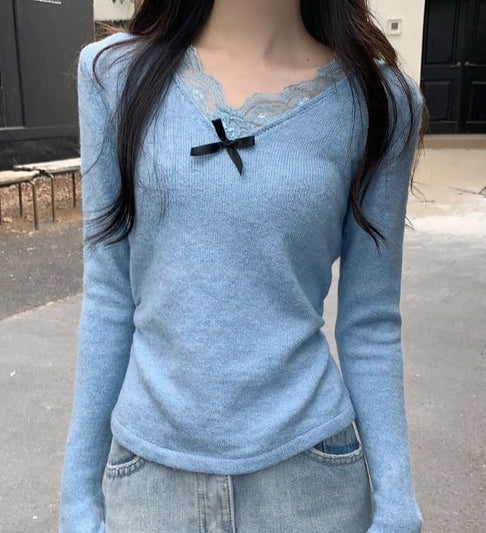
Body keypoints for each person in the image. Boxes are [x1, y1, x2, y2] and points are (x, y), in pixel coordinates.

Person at [59, 1, 428, 531]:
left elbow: (370, 323)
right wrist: (77, 501)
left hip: (312, 483)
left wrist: (397, 507)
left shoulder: (381, 101)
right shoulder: (113, 75)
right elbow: (110, 295)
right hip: (149, 485)